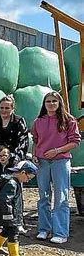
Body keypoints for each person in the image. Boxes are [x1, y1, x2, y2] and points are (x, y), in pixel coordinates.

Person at [31, 91, 81, 244]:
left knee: (61, 198)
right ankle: (44, 229)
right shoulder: (38, 121)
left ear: (59, 103)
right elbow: (35, 141)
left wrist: (57, 151)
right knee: (43, 196)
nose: (51, 104)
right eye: (48, 101)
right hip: (42, 162)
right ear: (44, 104)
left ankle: (60, 232)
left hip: (61, 161)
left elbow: (75, 142)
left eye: (54, 101)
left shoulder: (69, 120)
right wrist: (34, 155)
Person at [0, 95, 28, 230]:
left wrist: (14, 158)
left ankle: (18, 222)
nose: (4, 110)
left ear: (12, 108)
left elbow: (23, 142)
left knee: (15, 192)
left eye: (7, 108)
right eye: (1, 108)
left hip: (13, 162)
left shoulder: (18, 121)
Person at [0, 160, 37, 256]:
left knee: (6, 231)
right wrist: (8, 215)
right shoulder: (12, 183)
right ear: (22, 172)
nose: (27, 181)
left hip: (6, 214)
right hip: (9, 215)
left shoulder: (13, 181)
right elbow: (5, 200)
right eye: (28, 177)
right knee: (14, 233)